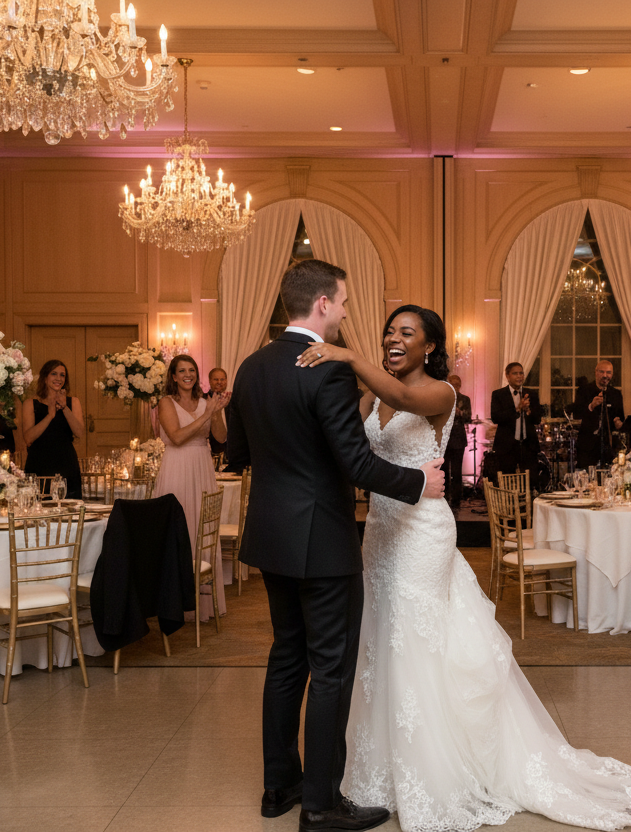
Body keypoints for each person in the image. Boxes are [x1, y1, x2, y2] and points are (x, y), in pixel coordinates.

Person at [296, 307, 631, 832]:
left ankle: (435, 764)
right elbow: (348, 443)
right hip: (380, 531)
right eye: (389, 332)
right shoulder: (371, 392)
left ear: (429, 346)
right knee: (380, 637)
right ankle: (376, 767)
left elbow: (404, 398)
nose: (393, 339)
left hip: (423, 533)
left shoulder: (440, 393)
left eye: (406, 333)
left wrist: (347, 352)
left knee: (418, 638)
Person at [225, 259, 442, 832]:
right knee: (330, 670)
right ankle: (320, 804)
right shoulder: (326, 371)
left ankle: (279, 789)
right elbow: (357, 463)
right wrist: (420, 482)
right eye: (342, 303)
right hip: (322, 540)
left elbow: (239, 456)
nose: (346, 313)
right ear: (322, 305)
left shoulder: (249, 367)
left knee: (285, 660)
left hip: (269, 536)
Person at [153, 354, 230, 622]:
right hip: (176, 467)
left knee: (202, 528)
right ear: (173, 376)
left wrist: (216, 411)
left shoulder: (206, 402)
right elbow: (176, 436)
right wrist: (207, 414)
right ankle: (174, 603)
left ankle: (203, 604)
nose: (188, 374)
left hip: (201, 467)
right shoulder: (165, 402)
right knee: (179, 528)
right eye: (182, 370)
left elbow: (220, 437)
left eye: (192, 370)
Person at [20, 360, 85, 500]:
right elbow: (28, 438)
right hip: (39, 463)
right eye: (54, 374)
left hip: (66, 463)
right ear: (45, 377)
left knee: (69, 510)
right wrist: (50, 416)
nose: (58, 378)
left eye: (62, 375)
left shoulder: (73, 402)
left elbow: (79, 432)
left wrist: (64, 408)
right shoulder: (31, 404)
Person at [489, 362, 541, 484]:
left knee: (531, 481)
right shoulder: (498, 394)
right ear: (507, 376)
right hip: (507, 446)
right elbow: (496, 418)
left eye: (521, 373)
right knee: (507, 482)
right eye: (515, 373)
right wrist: (517, 409)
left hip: (528, 445)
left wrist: (528, 410)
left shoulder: (531, 394)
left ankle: (529, 502)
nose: (519, 376)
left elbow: (537, 419)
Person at [573, 359, 624, 469]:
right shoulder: (584, 391)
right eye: (602, 372)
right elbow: (577, 413)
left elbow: (620, 416)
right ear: (596, 373)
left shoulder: (616, 394)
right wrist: (591, 406)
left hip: (609, 445)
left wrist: (618, 422)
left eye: (608, 372)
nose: (605, 375)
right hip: (588, 445)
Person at [444, 373, 471, 509]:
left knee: (456, 471)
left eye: (457, 384)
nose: (454, 387)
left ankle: (456, 500)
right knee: (443, 471)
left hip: (458, 439)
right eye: (452, 384)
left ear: (460, 386)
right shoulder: (442, 398)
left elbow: (468, 418)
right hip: (443, 439)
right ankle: (443, 498)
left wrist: (460, 412)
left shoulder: (465, 399)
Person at [207, 367, 230, 458]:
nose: (219, 382)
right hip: (213, 451)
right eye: (216, 379)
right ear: (210, 381)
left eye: (222, 379)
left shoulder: (233, 400)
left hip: (231, 451)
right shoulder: (203, 400)